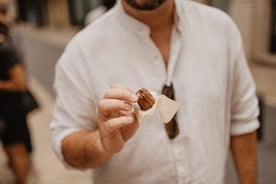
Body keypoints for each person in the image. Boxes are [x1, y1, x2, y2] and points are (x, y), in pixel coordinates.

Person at [51, 0, 260, 183]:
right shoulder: (81, 52)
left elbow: (242, 118)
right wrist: (100, 143)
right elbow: (66, 143)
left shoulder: (221, 29)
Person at [0, 10, 32, 184]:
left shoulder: (5, 50)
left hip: (12, 109)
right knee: (11, 147)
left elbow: (20, 84)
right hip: (6, 108)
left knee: (16, 149)